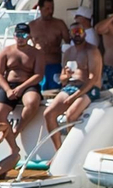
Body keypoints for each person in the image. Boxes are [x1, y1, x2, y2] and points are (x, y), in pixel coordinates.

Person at [41, 15, 104, 149]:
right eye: (74, 32)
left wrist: (75, 97)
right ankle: (60, 150)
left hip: (89, 88)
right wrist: (66, 76)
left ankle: (72, 149)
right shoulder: (68, 52)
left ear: (84, 34)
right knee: (48, 114)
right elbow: (62, 79)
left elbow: (93, 78)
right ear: (70, 35)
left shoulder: (92, 51)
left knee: (71, 115)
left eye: (79, 32)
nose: (77, 35)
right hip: (71, 87)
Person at [0, 21, 45, 136]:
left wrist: (22, 87)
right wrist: (7, 90)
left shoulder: (36, 54)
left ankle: (17, 130)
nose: (21, 38)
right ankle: (10, 138)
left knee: (32, 103)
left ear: (29, 37)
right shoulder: (5, 52)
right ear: (14, 36)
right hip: (8, 85)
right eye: (18, 35)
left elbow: (38, 75)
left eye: (24, 35)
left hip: (28, 86)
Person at [28, 0, 72, 95]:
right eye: (47, 8)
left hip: (55, 65)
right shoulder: (32, 26)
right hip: (38, 67)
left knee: (55, 93)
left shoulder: (59, 24)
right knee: (39, 93)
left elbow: (69, 43)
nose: (50, 11)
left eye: (52, 8)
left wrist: (56, 49)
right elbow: (24, 46)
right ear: (40, 8)